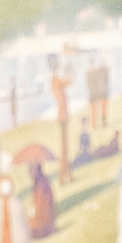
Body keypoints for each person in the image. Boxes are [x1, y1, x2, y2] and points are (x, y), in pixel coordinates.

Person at [49, 55, 74, 185]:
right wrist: (71, 70)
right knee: (64, 147)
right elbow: (69, 81)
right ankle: (63, 174)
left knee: (65, 146)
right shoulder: (55, 79)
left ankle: (66, 173)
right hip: (62, 115)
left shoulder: (55, 79)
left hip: (63, 114)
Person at [87, 55, 110, 129]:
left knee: (100, 108)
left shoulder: (97, 71)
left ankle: (100, 123)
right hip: (96, 93)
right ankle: (95, 124)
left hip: (99, 93)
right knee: (95, 110)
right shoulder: (93, 72)